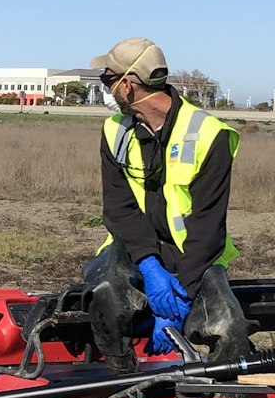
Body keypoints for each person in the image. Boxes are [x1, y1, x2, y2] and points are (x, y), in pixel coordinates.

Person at [82, 38, 253, 369]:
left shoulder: (209, 135)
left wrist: (181, 296)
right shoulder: (114, 131)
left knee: (227, 324)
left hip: (193, 254)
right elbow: (118, 207)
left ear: (127, 85)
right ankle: (121, 381)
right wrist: (148, 265)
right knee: (106, 293)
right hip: (134, 249)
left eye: (107, 80)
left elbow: (208, 224)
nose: (106, 89)